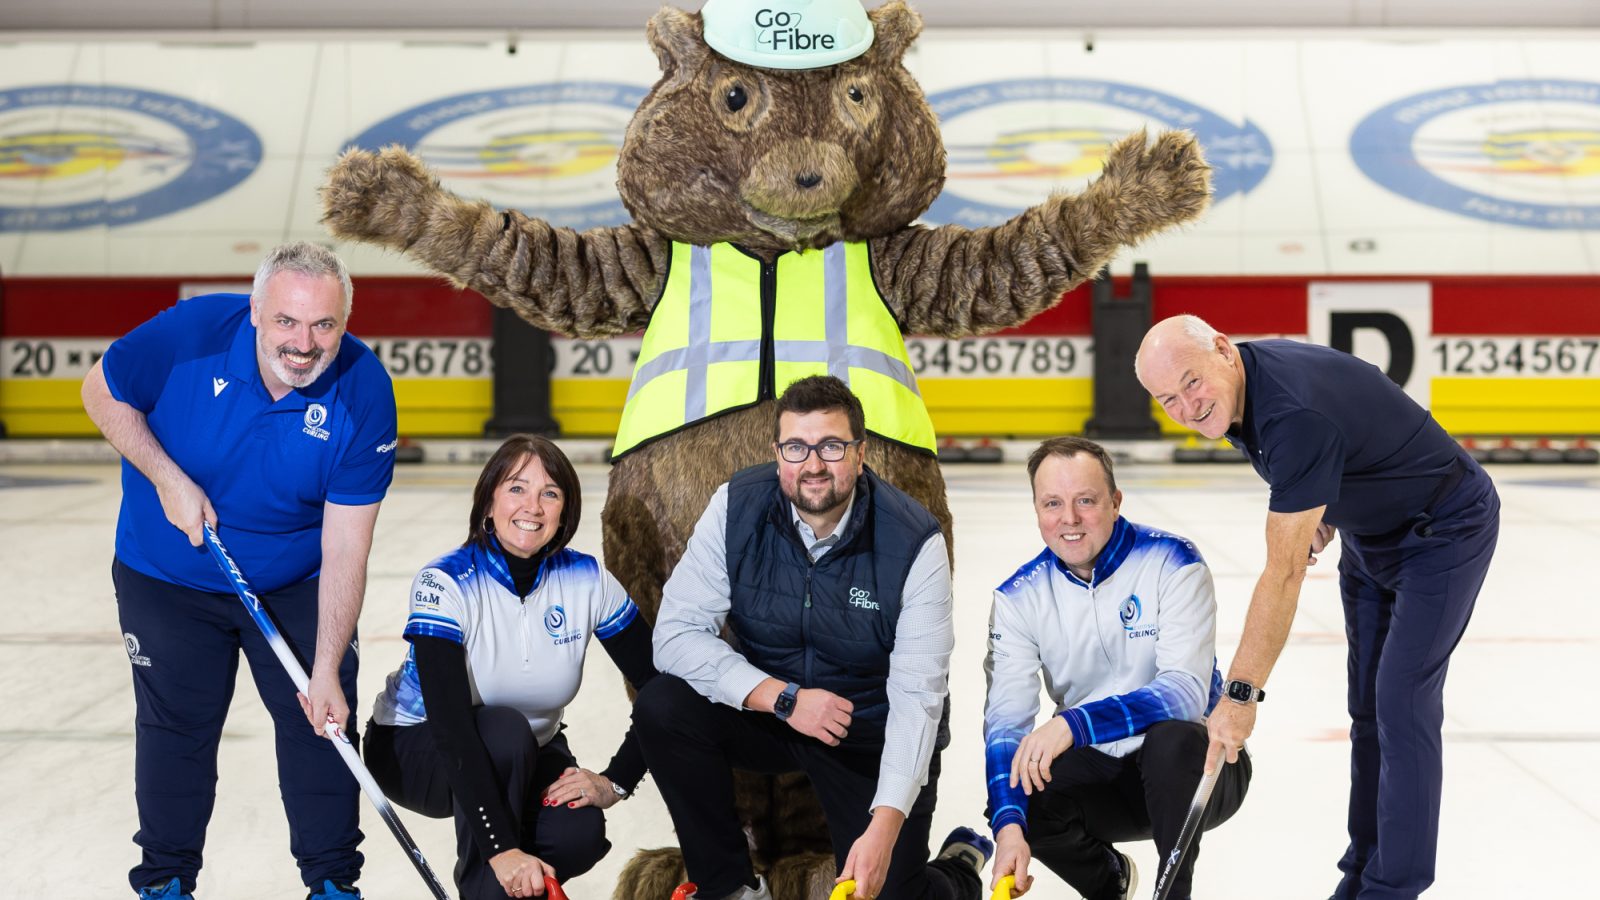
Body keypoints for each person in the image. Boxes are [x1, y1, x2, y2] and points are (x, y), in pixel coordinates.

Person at [1135, 315, 1500, 900]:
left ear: (1224, 351)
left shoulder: (1289, 414)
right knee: (1367, 711)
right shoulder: (1239, 387)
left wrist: (1240, 696)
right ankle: (1361, 874)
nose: (1185, 406)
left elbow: (1281, 576)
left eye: (1191, 383)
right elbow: (1354, 419)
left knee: (1401, 703)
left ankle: (1393, 887)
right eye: (1166, 399)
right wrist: (1329, 501)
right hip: (1371, 538)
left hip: (1445, 529)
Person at [81, 242, 397, 900]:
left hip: (296, 582)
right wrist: (167, 477)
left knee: (323, 720)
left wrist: (327, 665)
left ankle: (333, 884)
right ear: (255, 312)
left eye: (323, 325)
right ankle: (166, 881)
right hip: (168, 579)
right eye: (286, 321)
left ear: (344, 321)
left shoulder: (364, 391)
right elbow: (100, 392)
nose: (304, 344)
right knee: (177, 729)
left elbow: (345, 546)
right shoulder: (189, 333)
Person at [635, 375, 992, 900]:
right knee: (663, 705)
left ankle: (958, 870)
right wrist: (781, 699)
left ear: (860, 452)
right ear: (778, 453)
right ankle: (730, 887)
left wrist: (885, 828)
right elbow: (674, 636)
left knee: (891, 891)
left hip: (865, 731)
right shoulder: (736, 507)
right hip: (776, 712)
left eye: (831, 446)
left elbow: (918, 701)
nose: (814, 465)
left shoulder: (915, 542)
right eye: (797, 447)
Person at [364, 435, 656, 900]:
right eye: (517, 488)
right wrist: (500, 849)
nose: (533, 506)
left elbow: (659, 688)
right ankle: (488, 886)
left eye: (551, 493)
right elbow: (453, 725)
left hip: (528, 750)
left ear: (565, 511)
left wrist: (617, 780)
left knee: (575, 833)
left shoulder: (587, 579)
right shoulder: (445, 582)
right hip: (418, 749)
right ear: (489, 501)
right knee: (503, 732)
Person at [983, 437, 1251, 900]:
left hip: (1199, 773)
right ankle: (1111, 883)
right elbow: (1006, 724)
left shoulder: (1172, 560)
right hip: (1106, 775)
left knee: (1173, 740)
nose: (1069, 519)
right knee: (1017, 789)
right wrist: (1009, 826)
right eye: (1052, 503)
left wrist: (1074, 723)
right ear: (1036, 508)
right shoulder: (1017, 597)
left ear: (1115, 501)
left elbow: (1184, 693)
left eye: (1085, 500)